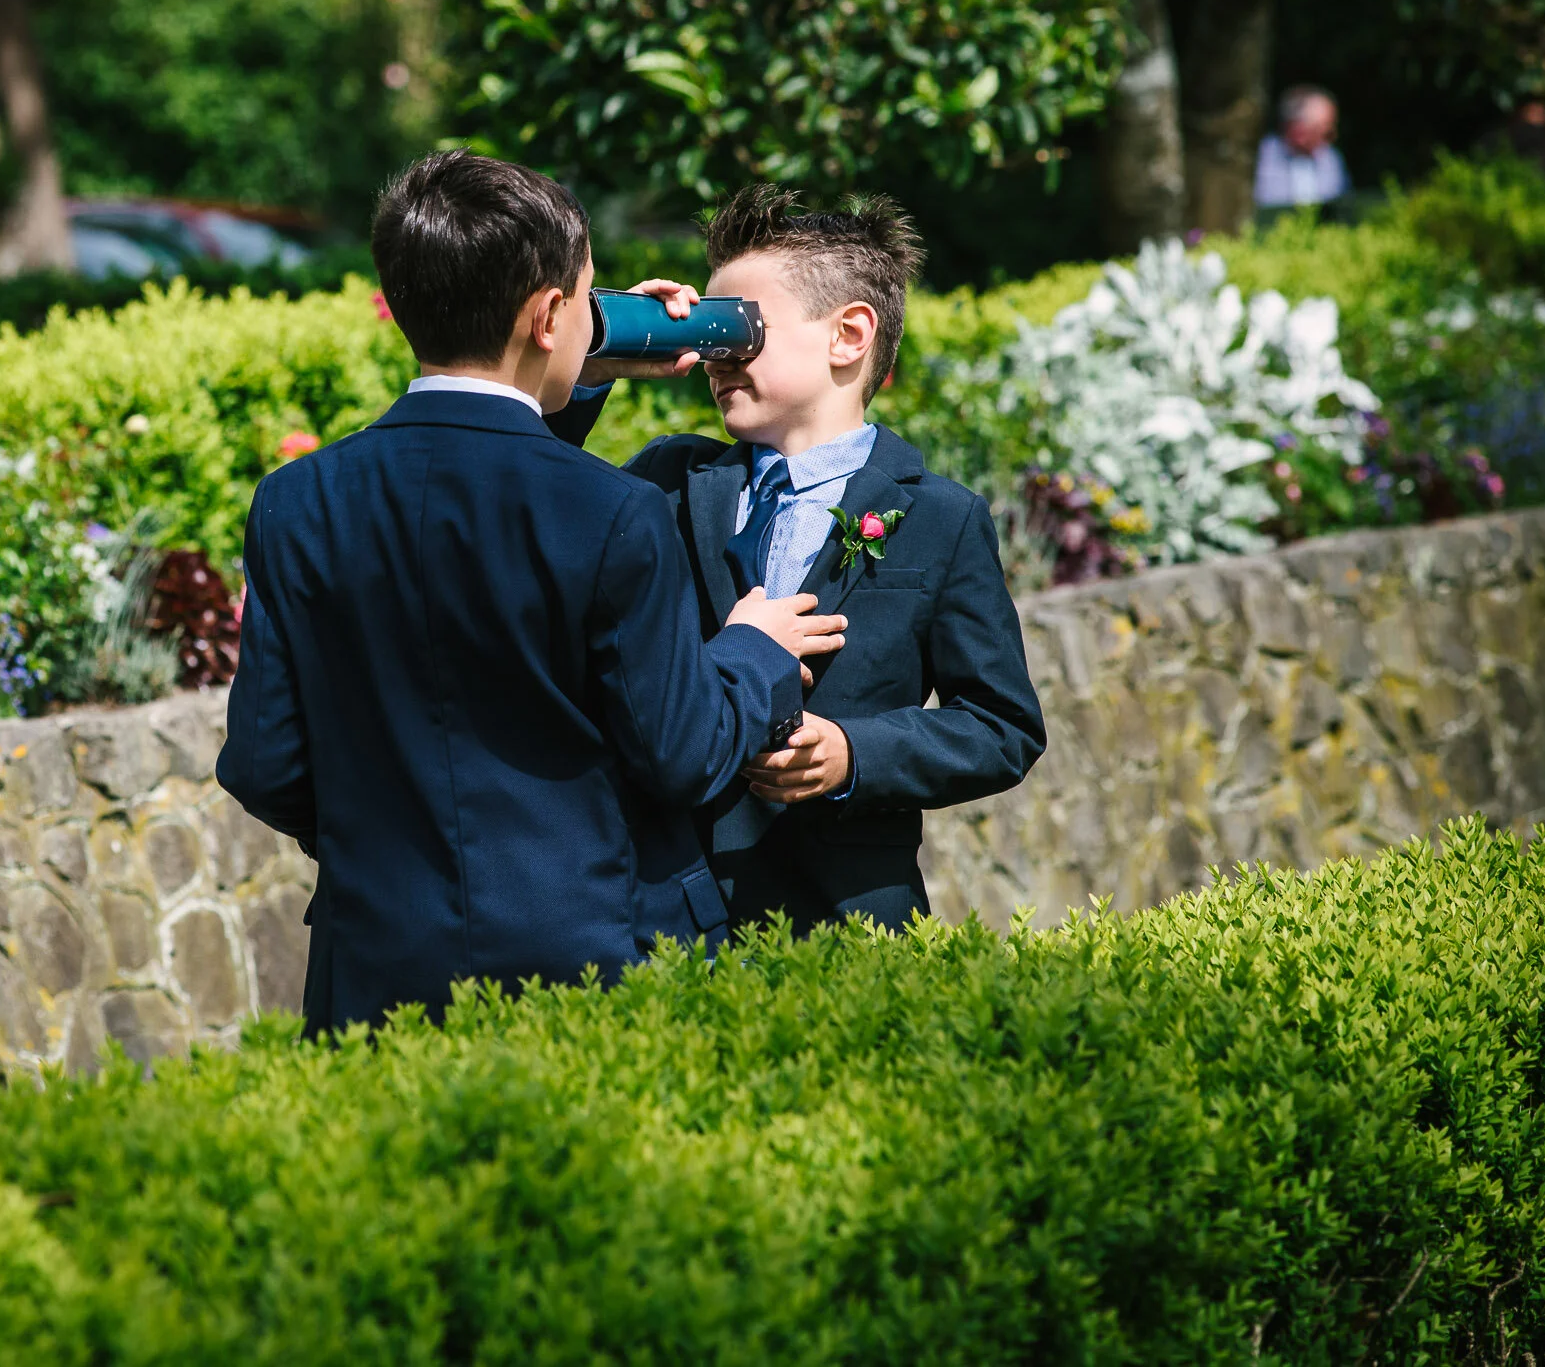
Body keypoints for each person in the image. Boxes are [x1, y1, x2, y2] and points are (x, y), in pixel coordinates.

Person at [217, 152, 837, 1034]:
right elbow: (682, 752)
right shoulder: (615, 512)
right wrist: (753, 649)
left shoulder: (295, 501)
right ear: (548, 315)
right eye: (586, 298)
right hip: (594, 968)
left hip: (377, 964)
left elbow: (264, 765)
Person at [549, 187, 1044, 934]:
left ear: (849, 335)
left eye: (742, 329)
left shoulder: (942, 518)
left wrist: (853, 754)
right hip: (669, 910)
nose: (718, 355)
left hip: (845, 916)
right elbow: (538, 512)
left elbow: (1002, 726)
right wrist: (593, 365)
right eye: (714, 331)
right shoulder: (671, 479)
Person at [1254, 85, 1351, 215]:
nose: (1332, 138)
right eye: (1325, 132)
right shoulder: (1259, 159)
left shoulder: (1331, 159)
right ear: (1298, 130)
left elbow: (1344, 207)